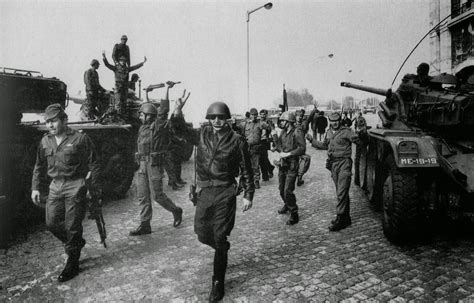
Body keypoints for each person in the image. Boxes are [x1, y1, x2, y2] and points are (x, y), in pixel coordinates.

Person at [180, 100, 254, 302]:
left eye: (221, 117)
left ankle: (217, 283)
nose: (217, 121)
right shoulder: (202, 135)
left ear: (227, 118)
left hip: (225, 191)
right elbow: (178, 128)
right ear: (208, 119)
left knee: (220, 236)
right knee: (201, 232)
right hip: (205, 191)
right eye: (213, 117)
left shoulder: (237, 140)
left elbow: (247, 169)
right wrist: (177, 109)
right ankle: (222, 249)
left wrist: (248, 194)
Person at [31, 104, 101, 282]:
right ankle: (76, 243)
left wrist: (92, 187)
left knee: (72, 226)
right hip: (55, 185)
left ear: (64, 120)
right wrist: (36, 187)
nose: (50, 125)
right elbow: (39, 166)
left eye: (53, 121)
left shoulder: (80, 139)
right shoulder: (45, 141)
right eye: (47, 122)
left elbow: (94, 163)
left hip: (75, 185)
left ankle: (73, 261)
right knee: (51, 222)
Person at [129, 82, 183, 236]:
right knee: (142, 196)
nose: (139, 116)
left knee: (158, 196)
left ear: (149, 116)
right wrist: (146, 92)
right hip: (142, 166)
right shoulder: (142, 128)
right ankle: (145, 224)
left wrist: (166, 89)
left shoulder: (158, 126)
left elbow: (164, 109)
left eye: (142, 114)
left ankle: (176, 210)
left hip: (154, 166)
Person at [306, 112, 359, 231]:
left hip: (344, 163)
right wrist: (311, 140)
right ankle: (346, 217)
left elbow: (357, 139)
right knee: (341, 192)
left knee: (341, 192)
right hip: (333, 165)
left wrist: (362, 133)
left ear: (340, 120)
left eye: (336, 121)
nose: (334, 123)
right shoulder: (329, 132)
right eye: (332, 121)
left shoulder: (347, 131)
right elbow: (324, 145)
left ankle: (340, 219)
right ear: (329, 121)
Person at [272, 111, 306, 225]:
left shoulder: (297, 132)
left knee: (288, 190)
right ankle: (287, 204)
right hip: (283, 165)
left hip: (292, 164)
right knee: (281, 190)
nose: (281, 123)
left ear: (289, 122)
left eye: (283, 121)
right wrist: (275, 142)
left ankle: (294, 213)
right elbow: (281, 147)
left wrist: (289, 154)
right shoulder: (283, 132)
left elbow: (302, 149)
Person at [102, 51, 146, 118]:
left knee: (124, 103)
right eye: (122, 61)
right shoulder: (116, 68)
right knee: (118, 104)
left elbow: (135, 67)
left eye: (124, 61)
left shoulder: (127, 69)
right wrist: (104, 57)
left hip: (125, 88)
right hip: (118, 88)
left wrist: (142, 63)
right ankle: (118, 118)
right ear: (119, 61)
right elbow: (107, 65)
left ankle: (122, 117)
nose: (123, 62)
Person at [238, 108, 269, 189]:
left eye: (255, 115)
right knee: (245, 165)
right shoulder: (244, 124)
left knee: (255, 166)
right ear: (250, 115)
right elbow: (237, 130)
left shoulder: (260, 123)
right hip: (246, 147)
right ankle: (243, 182)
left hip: (256, 147)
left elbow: (269, 127)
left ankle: (256, 181)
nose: (254, 116)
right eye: (252, 115)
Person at [295, 108, 317, 186]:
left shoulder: (303, 125)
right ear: (295, 116)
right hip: (293, 146)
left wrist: (313, 111)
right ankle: (297, 177)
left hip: (301, 145)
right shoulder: (291, 125)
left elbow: (309, 118)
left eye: (301, 116)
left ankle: (299, 177)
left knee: (304, 161)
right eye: (298, 116)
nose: (300, 117)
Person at [258, 109, 274, 181]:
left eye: (264, 114)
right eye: (261, 114)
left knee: (264, 157)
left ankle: (267, 172)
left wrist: (273, 141)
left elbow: (272, 131)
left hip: (265, 141)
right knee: (262, 158)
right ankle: (268, 171)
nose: (262, 116)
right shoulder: (257, 122)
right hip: (258, 141)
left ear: (266, 115)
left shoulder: (269, 122)